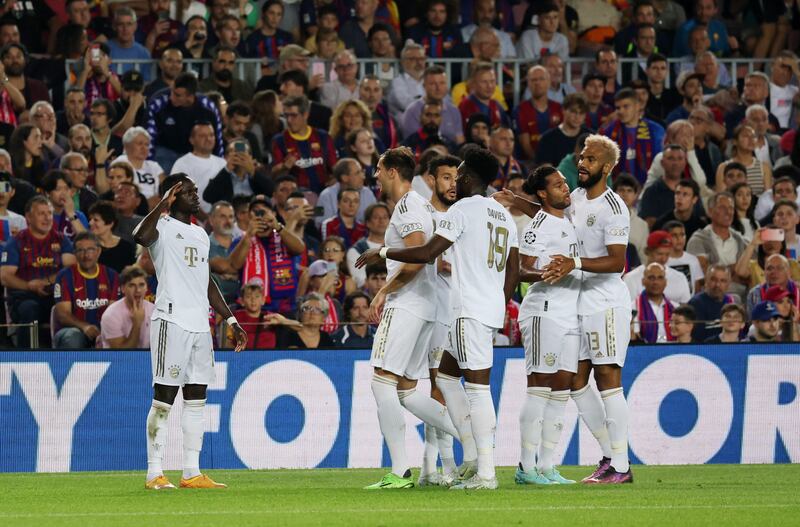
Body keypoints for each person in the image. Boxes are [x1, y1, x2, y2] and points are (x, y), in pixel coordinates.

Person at [358, 145, 518, 490]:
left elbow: (424, 252)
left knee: (388, 382)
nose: (454, 179)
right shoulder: (500, 214)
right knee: (424, 385)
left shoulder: (431, 206)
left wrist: (382, 258)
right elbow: (513, 270)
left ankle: (408, 471)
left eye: (458, 173)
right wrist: (499, 305)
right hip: (470, 307)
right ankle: (471, 445)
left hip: (436, 305)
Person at [501, 134, 634, 483]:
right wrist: (517, 200)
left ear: (606, 167)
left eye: (590, 159)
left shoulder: (614, 207)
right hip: (575, 303)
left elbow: (617, 262)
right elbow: (551, 216)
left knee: (608, 379)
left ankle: (620, 465)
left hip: (604, 302)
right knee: (575, 382)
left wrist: (573, 263)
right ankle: (610, 454)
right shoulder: (574, 198)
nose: (582, 163)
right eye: (582, 157)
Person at [353, 147, 464, 490]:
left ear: (391, 171)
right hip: (427, 305)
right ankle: (472, 436)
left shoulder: (407, 205)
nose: (375, 176)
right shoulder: (418, 205)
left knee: (381, 382)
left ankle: (399, 471)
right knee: (406, 391)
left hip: (409, 303)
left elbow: (417, 256)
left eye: (378, 169)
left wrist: (384, 289)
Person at [132, 173, 247, 490]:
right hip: (172, 320)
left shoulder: (200, 234)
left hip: (200, 325)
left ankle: (191, 472)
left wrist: (231, 320)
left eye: (196, 190)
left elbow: (206, 280)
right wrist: (161, 204)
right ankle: (154, 473)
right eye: (189, 191)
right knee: (164, 398)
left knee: (197, 397)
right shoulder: (162, 227)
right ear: (172, 194)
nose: (196, 195)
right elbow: (139, 236)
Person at [514, 165, 580, 485]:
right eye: (557, 185)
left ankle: (547, 466)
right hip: (544, 311)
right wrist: (549, 271)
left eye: (565, 183)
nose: (565, 188)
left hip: (570, 314)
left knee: (561, 391)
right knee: (539, 389)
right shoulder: (538, 225)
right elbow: (519, 269)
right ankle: (526, 467)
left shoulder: (567, 219)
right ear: (543, 193)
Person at [417, 153, 459, 486]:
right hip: (431, 309)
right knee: (439, 385)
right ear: (431, 180)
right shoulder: (425, 215)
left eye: (456, 178)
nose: (452, 184)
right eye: (446, 177)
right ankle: (446, 467)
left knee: (439, 386)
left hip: (451, 309)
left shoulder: (461, 216)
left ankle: (429, 468)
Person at [1, 195, 77, 348]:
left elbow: (71, 267)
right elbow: (5, 276)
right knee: (30, 309)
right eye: (41, 213)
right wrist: (30, 286)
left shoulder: (61, 239)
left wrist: (47, 281)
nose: (47, 218)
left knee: (74, 306)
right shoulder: (17, 241)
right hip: (23, 297)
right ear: (28, 217)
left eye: (49, 213)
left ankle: (69, 353)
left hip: (55, 295)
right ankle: (26, 358)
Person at [224, 196, 306, 315]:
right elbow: (235, 265)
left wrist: (277, 226)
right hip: (253, 309)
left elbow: (300, 249)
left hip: (285, 308)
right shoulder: (241, 241)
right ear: (249, 216)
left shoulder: (283, 236)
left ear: (273, 213)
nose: (261, 215)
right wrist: (249, 235)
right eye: (256, 211)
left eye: (265, 210)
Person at [53, 232, 120, 349]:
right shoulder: (65, 276)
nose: (86, 255)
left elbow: (115, 312)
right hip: (74, 330)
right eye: (80, 250)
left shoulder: (112, 276)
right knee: (73, 337)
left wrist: (103, 334)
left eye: (90, 250)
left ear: (98, 251)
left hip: (105, 331)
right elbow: (63, 315)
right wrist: (85, 327)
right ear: (75, 253)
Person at [146, 72, 224, 172]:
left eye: (177, 95)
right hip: (165, 151)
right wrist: (150, 166)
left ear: (190, 97)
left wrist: (220, 166)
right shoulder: (159, 102)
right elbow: (149, 135)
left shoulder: (208, 107)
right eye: (172, 92)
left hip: (194, 154)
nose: (171, 97)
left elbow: (218, 139)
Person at [270, 95, 337, 194]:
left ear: (305, 115)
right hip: (296, 198)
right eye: (286, 115)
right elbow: (274, 176)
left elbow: (335, 167)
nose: (289, 120)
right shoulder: (279, 141)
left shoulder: (323, 137)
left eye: (293, 115)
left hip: (323, 194)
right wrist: (285, 167)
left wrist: (336, 179)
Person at [602, 88, 665, 185]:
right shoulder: (609, 132)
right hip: (617, 189)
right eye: (618, 108)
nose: (621, 111)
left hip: (647, 187)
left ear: (637, 106)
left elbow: (660, 163)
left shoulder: (656, 131)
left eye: (626, 106)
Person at [686, 191, 748, 285]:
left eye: (731, 208)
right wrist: (736, 269)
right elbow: (702, 276)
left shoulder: (740, 240)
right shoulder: (698, 240)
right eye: (722, 208)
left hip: (742, 294)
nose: (728, 212)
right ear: (710, 212)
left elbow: (749, 272)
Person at [171, 122, 228, 216]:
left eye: (211, 135)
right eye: (202, 136)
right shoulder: (182, 163)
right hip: (194, 219)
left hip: (221, 218)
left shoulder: (223, 163)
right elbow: (180, 196)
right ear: (192, 140)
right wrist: (205, 219)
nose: (208, 139)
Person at [400, 65, 464, 146]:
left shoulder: (454, 110)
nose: (438, 88)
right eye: (433, 84)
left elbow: (460, 141)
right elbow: (410, 145)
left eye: (442, 83)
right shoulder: (412, 111)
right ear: (424, 86)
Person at [624, 230, 692, 304]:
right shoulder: (631, 278)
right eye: (660, 254)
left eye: (667, 254)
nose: (663, 259)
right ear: (648, 251)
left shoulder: (680, 277)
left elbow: (686, 309)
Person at [231, 278, 301, 349]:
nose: (253, 300)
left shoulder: (270, 316)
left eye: (257, 296)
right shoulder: (235, 317)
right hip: (242, 356)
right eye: (248, 297)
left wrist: (282, 321)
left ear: (263, 300)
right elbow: (228, 340)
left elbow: (300, 327)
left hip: (268, 356)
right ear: (242, 301)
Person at [99, 264, 155, 348]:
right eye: (132, 285)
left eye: (141, 285)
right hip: (117, 360)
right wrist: (137, 324)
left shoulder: (154, 311)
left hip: (147, 359)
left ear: (147, 287)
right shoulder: (111, 315)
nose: (138, 290)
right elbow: (123, 355)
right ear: (122, 289)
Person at [514, 65, 563, 160]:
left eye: (541, 79)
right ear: (528, 84)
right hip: (531, 163)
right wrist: (540, 165)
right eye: (533, 80)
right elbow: (525, 145)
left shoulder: (559, 108)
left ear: (549, 82)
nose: (537, 83)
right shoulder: (520, 110)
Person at [638, 144, 689, 227]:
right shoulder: (652, 192)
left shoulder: (692, 189)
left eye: (680, 159)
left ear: (685, 162)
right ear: (662, 163)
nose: (675, 163)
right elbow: (649, 224)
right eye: (671, 158)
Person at [116, 127, 165, 209]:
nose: (144, 148)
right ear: (127, 146)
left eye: (147, 144)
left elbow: (167, 188)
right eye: (140, 143)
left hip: (155, 208)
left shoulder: (154, 166)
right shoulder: (120, 163)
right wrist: (145, 203)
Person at [536, 93, 590, 168]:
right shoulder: (547, 139)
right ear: (563, 110)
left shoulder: (591, 138)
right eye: (573, 111)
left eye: (581, 113)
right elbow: (547, 174)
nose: (577, 117)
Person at [688, 264, 736, 341]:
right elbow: (697, 336)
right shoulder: (696, 303)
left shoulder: (732, 302)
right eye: (713, 280)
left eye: (723, 281)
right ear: (706, 281)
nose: (717, 285)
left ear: (729, 284)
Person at [347, 202, 390, 288]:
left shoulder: (398, 247)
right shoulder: (357, 250)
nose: (381, 221)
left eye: (385, 217)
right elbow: (362, 281)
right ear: (367, 223)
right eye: (376, 217)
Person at [88, 200, 137, 273]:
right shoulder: (89, 245)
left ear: (110, 223)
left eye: (96, 220)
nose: (90, 223)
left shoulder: (126, 247)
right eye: (90, 219)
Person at [633, 262, 676, 343]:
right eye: (651, 278)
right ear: (643, 281)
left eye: (660, 277)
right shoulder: (633, 308)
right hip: (644, 351)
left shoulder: (675, 307)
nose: (656, 282)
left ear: (666, 282)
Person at [41, 170, 89, 240]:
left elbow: (86, 241)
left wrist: (71, 214)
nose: (63, 193)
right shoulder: (41, 216)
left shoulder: (78, 216)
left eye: (66, 189)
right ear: (47, 193)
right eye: (58, 189)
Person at [106, 7, 152, 80]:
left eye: (129, 24)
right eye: (121, 24)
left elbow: (146, 83)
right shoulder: (104, 49)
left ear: (135, 26)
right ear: (114, 26)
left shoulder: (144, 53)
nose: (125, 29)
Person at [387, 41, 427, 119]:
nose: (419, 62)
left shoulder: (430, 80)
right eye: (413, 59)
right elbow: (406, 104)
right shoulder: (397, 82)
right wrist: (431, 103)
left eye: (421, 59)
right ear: (403, 62)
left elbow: (445, 101)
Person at [663, 220, 705, 295]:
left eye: (682, 235)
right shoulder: (662, 261)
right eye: (674, 235)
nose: (679, 239)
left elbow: (697, 287)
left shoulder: (693, 260)